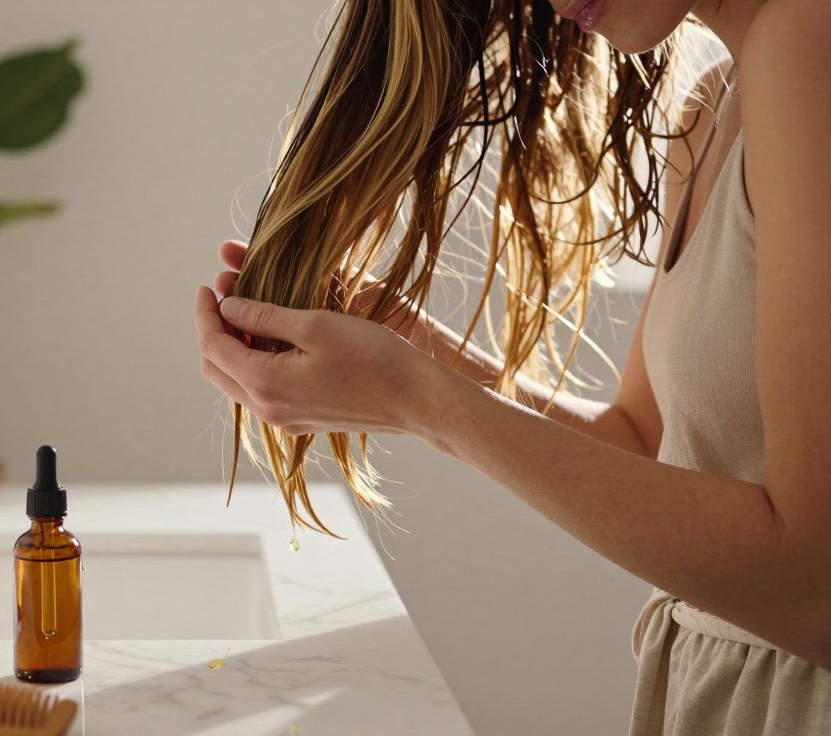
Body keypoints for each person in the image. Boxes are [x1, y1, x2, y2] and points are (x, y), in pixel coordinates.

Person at [193, 0, 831, 732]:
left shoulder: (810, 44)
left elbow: (817, 587)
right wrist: (415, 346)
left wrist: (419, 401)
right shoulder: (715, 99)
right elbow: (648, 447)